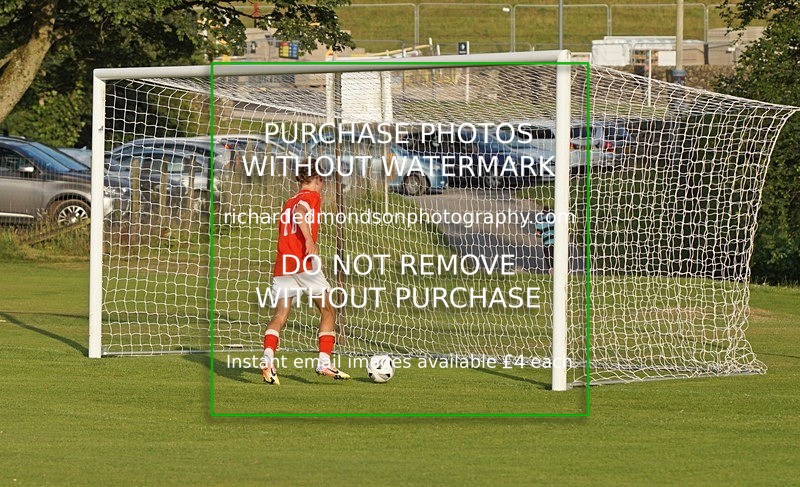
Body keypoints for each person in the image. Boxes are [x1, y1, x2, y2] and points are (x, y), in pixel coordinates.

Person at [259, 160, 350, 385]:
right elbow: (301, 214)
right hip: (303, 264)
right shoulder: (311, 197)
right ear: (318, 180)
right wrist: (309, 240)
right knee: (329, 310)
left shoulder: (289, 201)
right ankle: (324, 362)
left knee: (280, 315)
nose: (323, 186)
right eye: (323, 181)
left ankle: (267, 358)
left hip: (283, 264)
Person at [535, 205, 555, 275]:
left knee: (548, 257)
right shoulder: (555, 218)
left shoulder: (541, 220)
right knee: (555, 256)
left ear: (543, 212)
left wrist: (540, 235)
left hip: (547, 242)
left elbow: (538, 233)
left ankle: (551, 270)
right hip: (556, 242)